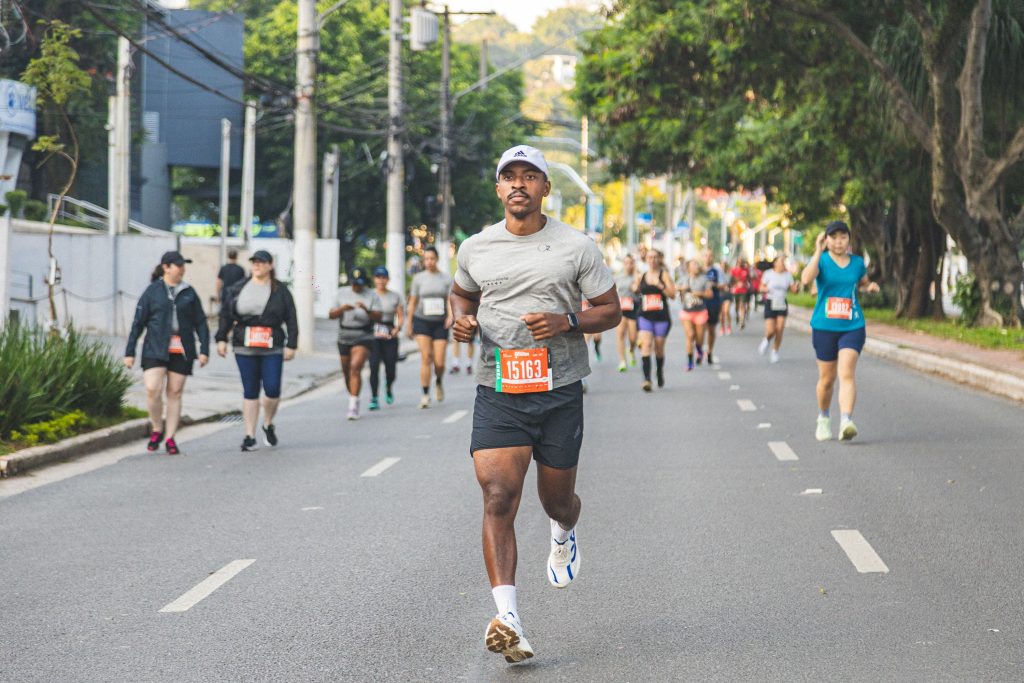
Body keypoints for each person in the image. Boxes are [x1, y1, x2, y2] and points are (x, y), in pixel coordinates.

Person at [450, 145, 618, 664]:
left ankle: (564, 531)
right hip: (498, 388)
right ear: (499, 188)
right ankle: (509, 618)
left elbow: (611, 310)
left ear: (546, 187)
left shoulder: (576, 246)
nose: (518, 184)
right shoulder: (476, 247)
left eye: (530, 176)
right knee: (498, 495)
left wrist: (567, 321)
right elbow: (462, 294)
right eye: (509, 176)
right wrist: (461, 319)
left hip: (559, 389)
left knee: (556, 500)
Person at [800, 221, 880, 441]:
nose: (838, 242)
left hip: (852, 325)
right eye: (833, 237)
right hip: (824, 326)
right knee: (827, 379)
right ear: (826, 240)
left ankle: (846, 421)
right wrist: (817, 251)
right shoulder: (821, 261)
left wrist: (869, 287)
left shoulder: (857, 263)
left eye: (843, 237)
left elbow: (862, 282)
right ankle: (823, 418)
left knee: (846, 372)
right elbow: (806, 279)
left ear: (849, 240)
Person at [124, 251, 210, 455]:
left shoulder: (189, 292)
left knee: (175, 392)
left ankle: (170, 437)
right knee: (152, 389)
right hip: (155, 346)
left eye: (183, 265)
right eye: (179, 265)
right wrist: (130, 351)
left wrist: (204, 349)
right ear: (166, 268)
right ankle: (157, 428)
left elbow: (200, 322)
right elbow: (138, 322)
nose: (182, 269)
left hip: (182, 348)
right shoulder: (152, 291)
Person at [215, 250, 298, 451]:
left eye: (261, 262)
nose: (257, 265)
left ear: (270, 265)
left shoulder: (280, 290)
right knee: (250, 390)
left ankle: (268, 422)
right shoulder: (238, 287)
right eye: (254, 262)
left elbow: (291, 318)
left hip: (272, 345)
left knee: (272, 389)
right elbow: (226, 314)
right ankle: (249, 435)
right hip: (244, 344)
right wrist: (221, 338)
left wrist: (292, 344)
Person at [330, 267, 382, 420]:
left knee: (355, 366)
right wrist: (342, 309)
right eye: (354, 284)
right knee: (346, 371)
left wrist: (366, 310)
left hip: (363, 335)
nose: (356, 287)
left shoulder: (372, 295)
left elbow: (379, 316)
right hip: (344, 336)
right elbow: (331, 314)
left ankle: (353, 405)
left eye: (359, 284)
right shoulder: (341, 293)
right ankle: (353, 394)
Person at [406, 246, 453, 409]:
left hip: (440, 323)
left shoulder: (446, 278)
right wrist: (409, 323)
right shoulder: (418, 279)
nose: (429, 262)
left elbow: (450, 300)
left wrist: (451, 316)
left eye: (432, 258)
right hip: (422, 321)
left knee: (439, 362)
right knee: (426, 358)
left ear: (437, 259)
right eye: (426, 259)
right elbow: (413, 302)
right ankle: (425, 395)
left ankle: (438, 380)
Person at [633, 248, 676, 390]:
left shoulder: (664, 275)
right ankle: (647, 380)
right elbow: (635, 289)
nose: (652, 260)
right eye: (650, 257)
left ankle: (659, 372)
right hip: (645, 315)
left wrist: (661, 286)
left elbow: (672, 295)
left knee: (659, 348)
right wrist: (635, 287)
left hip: (661, 317)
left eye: (655, 257)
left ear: (659, 259)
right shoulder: (642, 275)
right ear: (646, 259)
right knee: (646, 345)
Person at [368, 266, 405, 410]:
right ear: (374, 279)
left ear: (388, 279)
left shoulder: (395, 296)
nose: (381, 280)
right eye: (378, 277)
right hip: (373, 333)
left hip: (389, 332)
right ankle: (374, 397)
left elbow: (400, 315)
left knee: (391, 367)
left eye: (383, 277)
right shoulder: (369, 295)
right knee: (373, 366)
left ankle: (388, 386)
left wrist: (397, 328)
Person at [758, 256, 798, 363]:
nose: (783, 263)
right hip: (771, 302)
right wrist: (767, 289)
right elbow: (760, 287)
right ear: (775, 263)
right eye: (781, 261)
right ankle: (766, 340)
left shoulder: (788, 275)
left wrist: (796, 287)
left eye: (784, 261)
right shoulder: (768, 273)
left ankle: (774, 351)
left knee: (780, 329)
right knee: (771, 330)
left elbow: (793, 290)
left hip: (782, 303)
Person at [677, 259, 714, 371]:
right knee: (690, 335)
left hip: (700, 312)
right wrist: (682, 288)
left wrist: (699, 293)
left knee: (699, 339)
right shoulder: (684, 278)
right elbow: (674, 287)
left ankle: (699, 350)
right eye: (694, 264)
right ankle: (689, 362)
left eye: (697, 264)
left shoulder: (704, 279)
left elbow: (710, 294)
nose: (696, 266)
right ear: (688, 267)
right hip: (687, 312)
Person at [614, 254, 639, 372]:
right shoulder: (618, 276)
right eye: (626, 263)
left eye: (631, 263)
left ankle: (631, 350)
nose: (629, 265)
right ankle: (622, 361)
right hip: (621, 308)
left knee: (633, 338)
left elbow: (637, 289)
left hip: (634, 307)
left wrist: (635, 274)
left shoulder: (636, 275)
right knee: (620, 334)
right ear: (623, 264)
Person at [701, 250, 724, 365]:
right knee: (700, 329)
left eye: (710, 256)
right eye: (706, 255)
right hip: (700, 303)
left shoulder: (717, 271)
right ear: (702, 257)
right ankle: (699, 350)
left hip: (713, 302)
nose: (708, 258)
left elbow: (723, 285)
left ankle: (709, 351)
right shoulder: (698, 270)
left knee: (711, 329)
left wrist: (713, 285)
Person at [730, 257, 751, 329]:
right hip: (736, 290)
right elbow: (731, 280)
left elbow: (748, 279)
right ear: (737, 262)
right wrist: (735, 283)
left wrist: (746, 284)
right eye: (739, 261)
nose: (740, 263)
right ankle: (737, 315)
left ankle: (742, 321)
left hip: (744, 290)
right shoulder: (733, 270)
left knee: (742, 305)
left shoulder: (746, 270)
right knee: (737, 305)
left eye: (741, 261)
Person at [719, 259, 734, 335]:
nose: (723, 267)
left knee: (726, 311)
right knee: (721, 314)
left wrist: (731, 287)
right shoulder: (717, 275)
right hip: (719, 295)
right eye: (722, 265)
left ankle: (729, 326)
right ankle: (722, 328)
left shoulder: (729, 275)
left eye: (724, 266)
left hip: (727, 294)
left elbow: (733, 282)